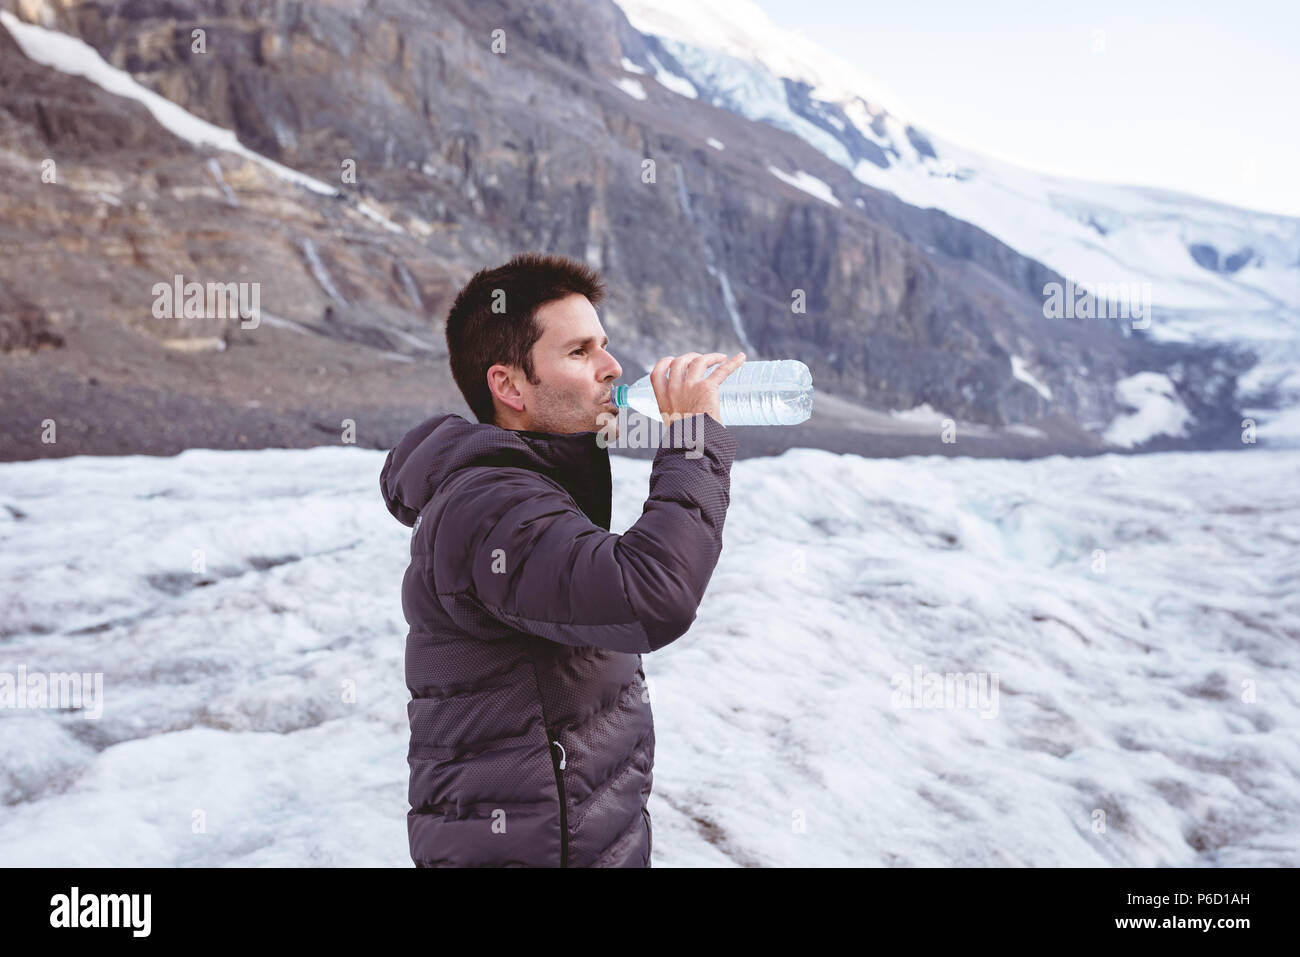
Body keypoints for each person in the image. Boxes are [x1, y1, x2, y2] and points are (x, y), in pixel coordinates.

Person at [379, 251, 745, 866]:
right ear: (509, 386)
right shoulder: (487, 507)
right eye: (579, 352)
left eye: (603, 345)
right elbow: (649, 596)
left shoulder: (530, 491)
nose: (612, 367)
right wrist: (690, 442)